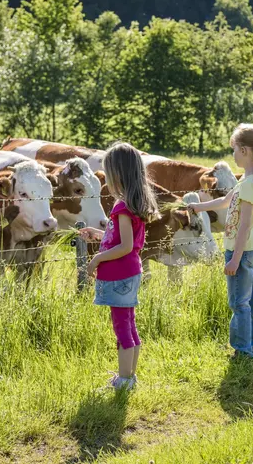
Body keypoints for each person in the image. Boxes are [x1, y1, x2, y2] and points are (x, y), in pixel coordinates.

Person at [78, 142, 159, 389]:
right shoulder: (133, 203)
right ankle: (130, 376)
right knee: (129, 323)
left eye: (107, 172)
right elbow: (124, 240)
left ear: (117, 174)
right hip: (130, 271)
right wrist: (98, 234)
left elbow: (124, 247)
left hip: (119, 274)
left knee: (122, 327)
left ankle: (124, 380)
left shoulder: (122, 206)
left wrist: (95, 259)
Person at [189, 123, 253, 358]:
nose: (233, 154)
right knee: (251, 301)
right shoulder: (252, 180)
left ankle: (243, 351)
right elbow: (227, 200)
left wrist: (234, 259)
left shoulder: (248, 184)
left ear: (245, 151)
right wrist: (199, 206)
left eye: (234, 149)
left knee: (239, 303)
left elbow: (244, 225)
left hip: (242, 251)